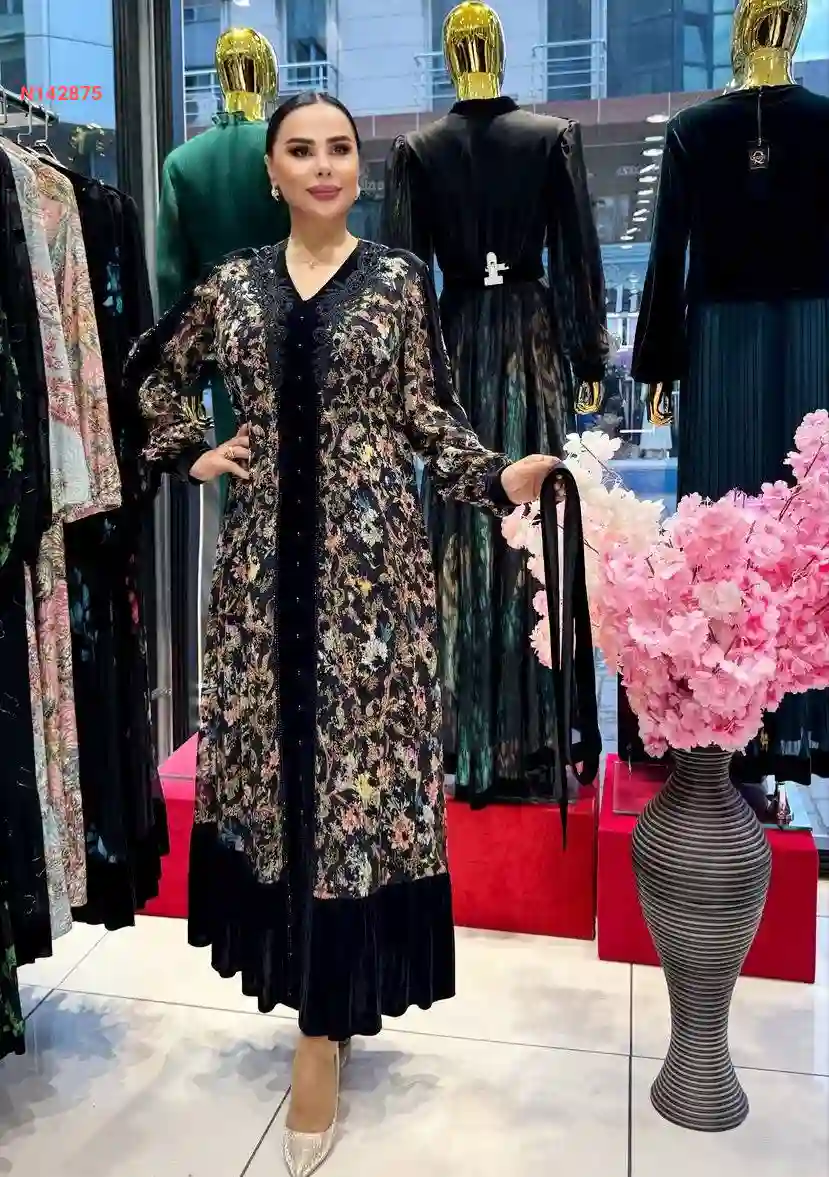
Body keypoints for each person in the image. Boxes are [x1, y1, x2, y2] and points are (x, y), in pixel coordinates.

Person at [124, 91, 558, 1177]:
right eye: (301, 150)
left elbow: (429, 417)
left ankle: (324, 1023)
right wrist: (191, 449)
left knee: (354, 786)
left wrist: (495, 475)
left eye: (340, 149)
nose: (324, 165)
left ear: (360, 167)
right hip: (261, 576)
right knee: (281, 781)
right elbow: (153, 374)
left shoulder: (400, 281)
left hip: (372, 585)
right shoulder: (232, 284)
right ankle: (313, 998)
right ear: (271, 173)